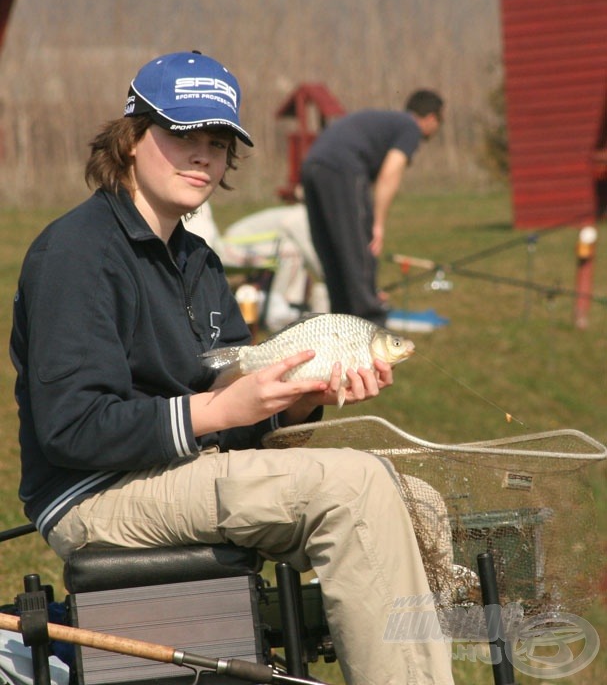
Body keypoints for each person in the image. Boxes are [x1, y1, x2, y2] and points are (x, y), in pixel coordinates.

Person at [10, 52, 454, 685]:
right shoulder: (75, 254)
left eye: (217, 143)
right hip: (95, 492)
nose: (203, 156)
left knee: (416, 500)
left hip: (184, 470)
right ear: (132, 139)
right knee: (354, 488)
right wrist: (218, 410)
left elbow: (235, 418)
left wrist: (297, 399)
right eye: (183, 135)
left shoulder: (200, 262)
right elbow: (73, 428)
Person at [300, 90, 444, 326]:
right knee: (358, 252)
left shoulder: (387, 122)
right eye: (440, 121)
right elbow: (390, 173)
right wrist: (377, 223)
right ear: (430, 118)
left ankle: (342, 324)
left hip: (312, 164)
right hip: (342, 167)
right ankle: (370, 326)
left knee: (333, 254)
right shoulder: (410, 127)